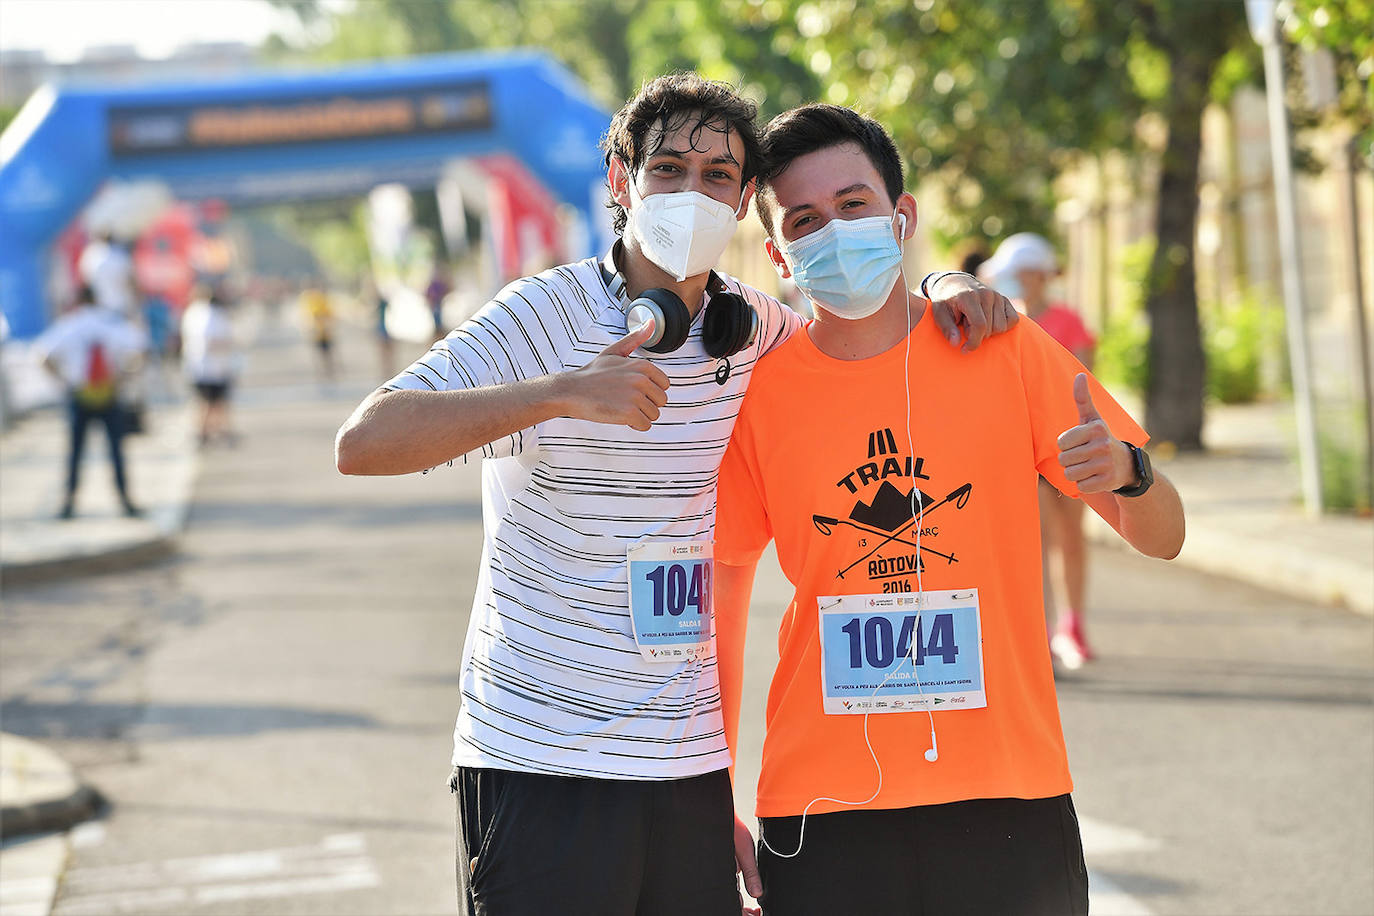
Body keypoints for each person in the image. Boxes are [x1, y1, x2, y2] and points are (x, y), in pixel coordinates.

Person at [335, 74, 1017, 916]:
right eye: (668, 169)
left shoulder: (757, 331)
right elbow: (365, 443)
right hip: (545, 763)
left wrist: (948, 284)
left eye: (718, 177)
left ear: (742, 204)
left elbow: (865, 328)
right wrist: (560, 394)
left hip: (688, 771)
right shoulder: (545, 313)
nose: (692, 192)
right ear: (622, 183)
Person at [713, 104, 1185, 916]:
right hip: (825, 812)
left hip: (1011, 795)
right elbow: (718, 609)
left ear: (902, 217)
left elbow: (1165, 537)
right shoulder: (759, 400)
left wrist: (1130, 472)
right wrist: (710, 793)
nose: (834, 229)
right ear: (778, 255)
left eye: (854, 205)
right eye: (806, 219)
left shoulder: (1003, 350)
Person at [982, 232, 1099, 668]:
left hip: (1070, 449)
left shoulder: (1068, 320)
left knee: (1071, 538)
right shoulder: (1003, 320)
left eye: (1017, 274)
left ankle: (1075, 625)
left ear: (1036, 275)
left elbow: (1086, 379)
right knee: (1036, 542)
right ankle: (1044, 634)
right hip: (1020, 451)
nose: (1011, 282)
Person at [36, 285, 149, 519]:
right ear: (97, 300)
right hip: (109, 392)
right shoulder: (111, 323)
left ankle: (68, 502)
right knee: (116, 450)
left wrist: (64, 381)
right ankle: (125, 499)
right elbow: (140, 351)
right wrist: (124, 377)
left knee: (76, 451)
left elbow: (43, 356)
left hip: (79, 393)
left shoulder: (69, 324)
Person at [180, 286, 240, 447]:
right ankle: (211, 432)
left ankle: (209, 431)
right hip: (213, 367)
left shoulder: (192, 313)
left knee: (207, 402)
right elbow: (215, 340)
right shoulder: (213, 315)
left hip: (197, 365)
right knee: (214, 401)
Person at [300, 284, 335, 381]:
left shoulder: (321, 300)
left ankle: (328, 371)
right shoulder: (310, 301)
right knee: (321, 352)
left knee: (326, 352)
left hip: (324, 332)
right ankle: (323, 372)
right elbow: (308, 317)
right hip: (317, 332)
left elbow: (329, 315)